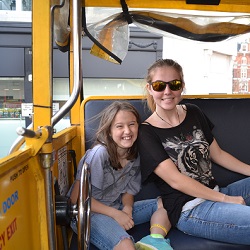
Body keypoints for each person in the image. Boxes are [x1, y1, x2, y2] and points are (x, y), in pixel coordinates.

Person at [138, 58, 250, 245]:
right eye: (159, 86)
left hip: (215, 192)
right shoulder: (146, 132)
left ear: (182, 86)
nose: (167, 91)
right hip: (190, 209)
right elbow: (176, 180)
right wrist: (226, 199)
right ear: (150, 89)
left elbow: (218, 155)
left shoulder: (193, 112)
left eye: (174, 84)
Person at [69, 101, 173, 250]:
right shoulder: (99, 154)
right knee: (126, 245)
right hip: (89, 213)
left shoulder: (134, 155)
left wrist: (127, 208)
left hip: (116, 207)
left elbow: (128, 191)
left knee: (169, 203)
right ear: (109, 131)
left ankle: (154, 240)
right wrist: (116, 214)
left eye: (132, 124)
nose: (127, 131)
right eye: (119, 126)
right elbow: (76, 198)